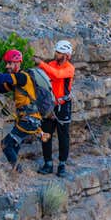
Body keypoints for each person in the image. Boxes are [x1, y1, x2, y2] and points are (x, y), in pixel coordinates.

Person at [0, 49, 46, 171]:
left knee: (6, 145)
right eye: (7, 63)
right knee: (13, 146)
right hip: (28, 120)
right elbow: (2, 87)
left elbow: (2, 78)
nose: (7, 66)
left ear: (18, 63)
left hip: (28, 120)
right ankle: (16, 172)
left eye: (10, 63)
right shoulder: (16, 79)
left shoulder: (22, 77)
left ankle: (18, 172)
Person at [34, 40, 75, 177]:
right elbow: (41, 76)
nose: (56, 54)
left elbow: (57, 75)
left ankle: (62, 164)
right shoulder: (50, 64)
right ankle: (48, 163)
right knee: (46, 134)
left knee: (63, 136)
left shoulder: (70, 68)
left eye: (59, 53)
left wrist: (40, 63)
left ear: (66, 55)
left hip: (63, 106)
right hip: (50, 105)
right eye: (56, 52)